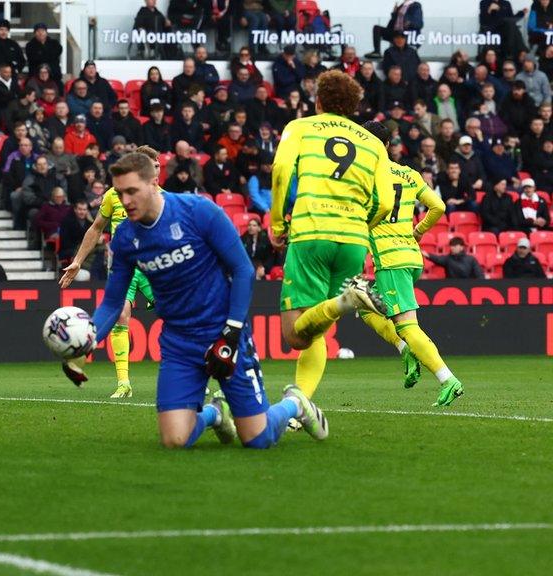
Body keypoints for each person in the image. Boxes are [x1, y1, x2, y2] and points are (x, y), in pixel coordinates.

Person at [64, 152, 329, 450]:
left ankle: (295, 403)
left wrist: (231, 331)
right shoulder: (125, 237)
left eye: (131, 191)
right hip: (179, 343)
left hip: (224, 333)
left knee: (258, 439)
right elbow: (113, 303)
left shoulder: (198, 211)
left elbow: (242, 269)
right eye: (119, 193)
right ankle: (216, 413)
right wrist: (86, 342)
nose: (124, 201)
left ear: (154, 183)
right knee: (175, 439)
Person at [270, 70, 395, 402]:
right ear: (354, 106)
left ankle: (347, 299)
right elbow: (385, 201)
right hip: (354, 242)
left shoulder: (300, 127)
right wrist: (360, 226)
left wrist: (278, 224)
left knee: (295, 336)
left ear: (318, 100)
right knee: (317, 329)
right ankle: (300, 404)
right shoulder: (372, 142)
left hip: (312, 234)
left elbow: (281, 170)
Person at [358, 120, 463, 406]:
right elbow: (438, 206)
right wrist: (417, 232)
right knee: (362, 304)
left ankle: (447, 379)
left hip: (390, 260)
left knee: (406, 325)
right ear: (390, 145)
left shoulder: (366, 175)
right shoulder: (408, 173)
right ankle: (405, 348)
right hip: (411, 257)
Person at [59, 146, 162, 398]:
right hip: (124, 267)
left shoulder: (164, 198)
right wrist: (78, 261)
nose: (157, 170)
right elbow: (96, 228)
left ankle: (198, 375)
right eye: (153, 165)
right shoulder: (113, 196)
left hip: (152, 267)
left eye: (158, 166)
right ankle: (124, 383)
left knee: (178, 317)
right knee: (121, 316)